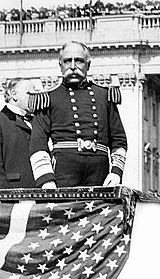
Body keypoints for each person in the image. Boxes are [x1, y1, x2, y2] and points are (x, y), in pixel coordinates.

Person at [29, 41, 127, 188]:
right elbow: (38, 142)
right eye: (67, 61)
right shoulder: (48, 98)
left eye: (79, 61)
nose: (73, 66)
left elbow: (119, 139)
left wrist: (116, 172)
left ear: (88, 65)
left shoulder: (104, 95)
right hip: (64, 172)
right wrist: (46, 179)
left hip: (99, 172)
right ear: (60, 65)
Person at [0, 78, 36, 189]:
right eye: (29, 94)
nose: (34, 98)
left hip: (40, 199)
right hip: (12, 199)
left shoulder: (37, 123)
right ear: (14, 95)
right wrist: (4, 203)